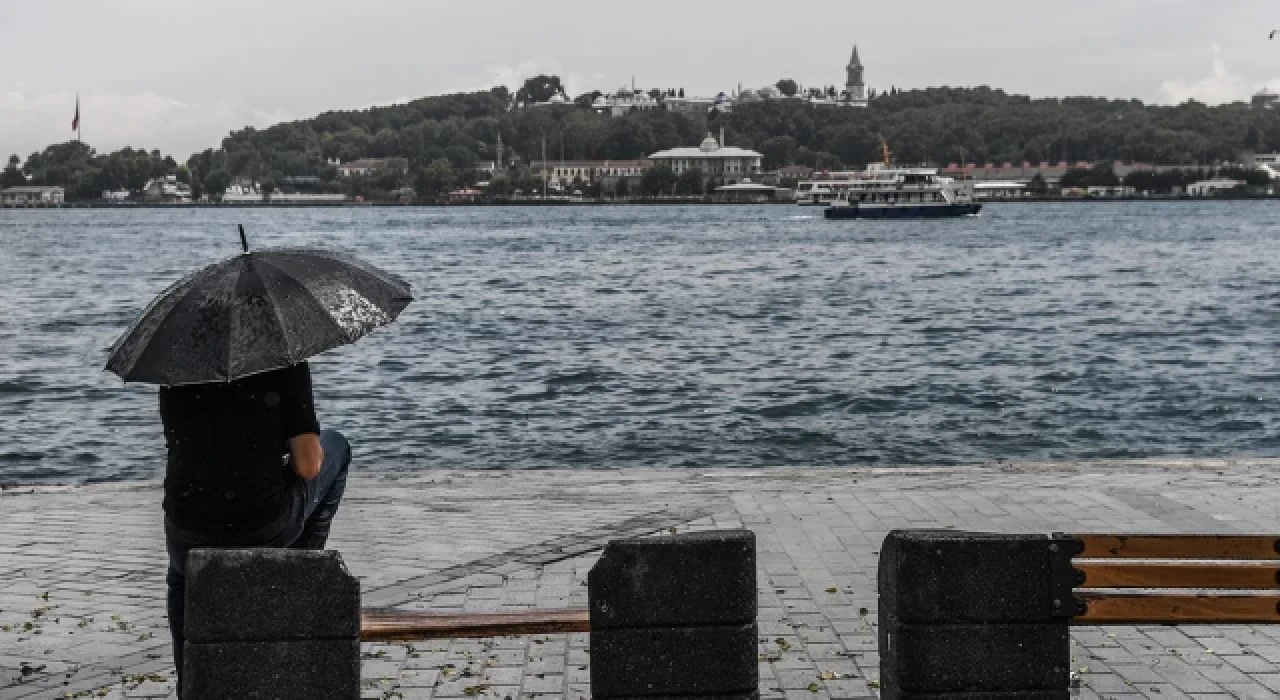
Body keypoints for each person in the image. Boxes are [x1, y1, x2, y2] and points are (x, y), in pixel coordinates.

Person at [159, 361, 350, 687]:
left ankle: (189, 680)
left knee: (181, 571)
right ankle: (300, 573)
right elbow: (308, 466)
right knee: (338, 447)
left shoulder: (176, 363)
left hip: (187, 526)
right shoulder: (282, 361)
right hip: (261, 524)